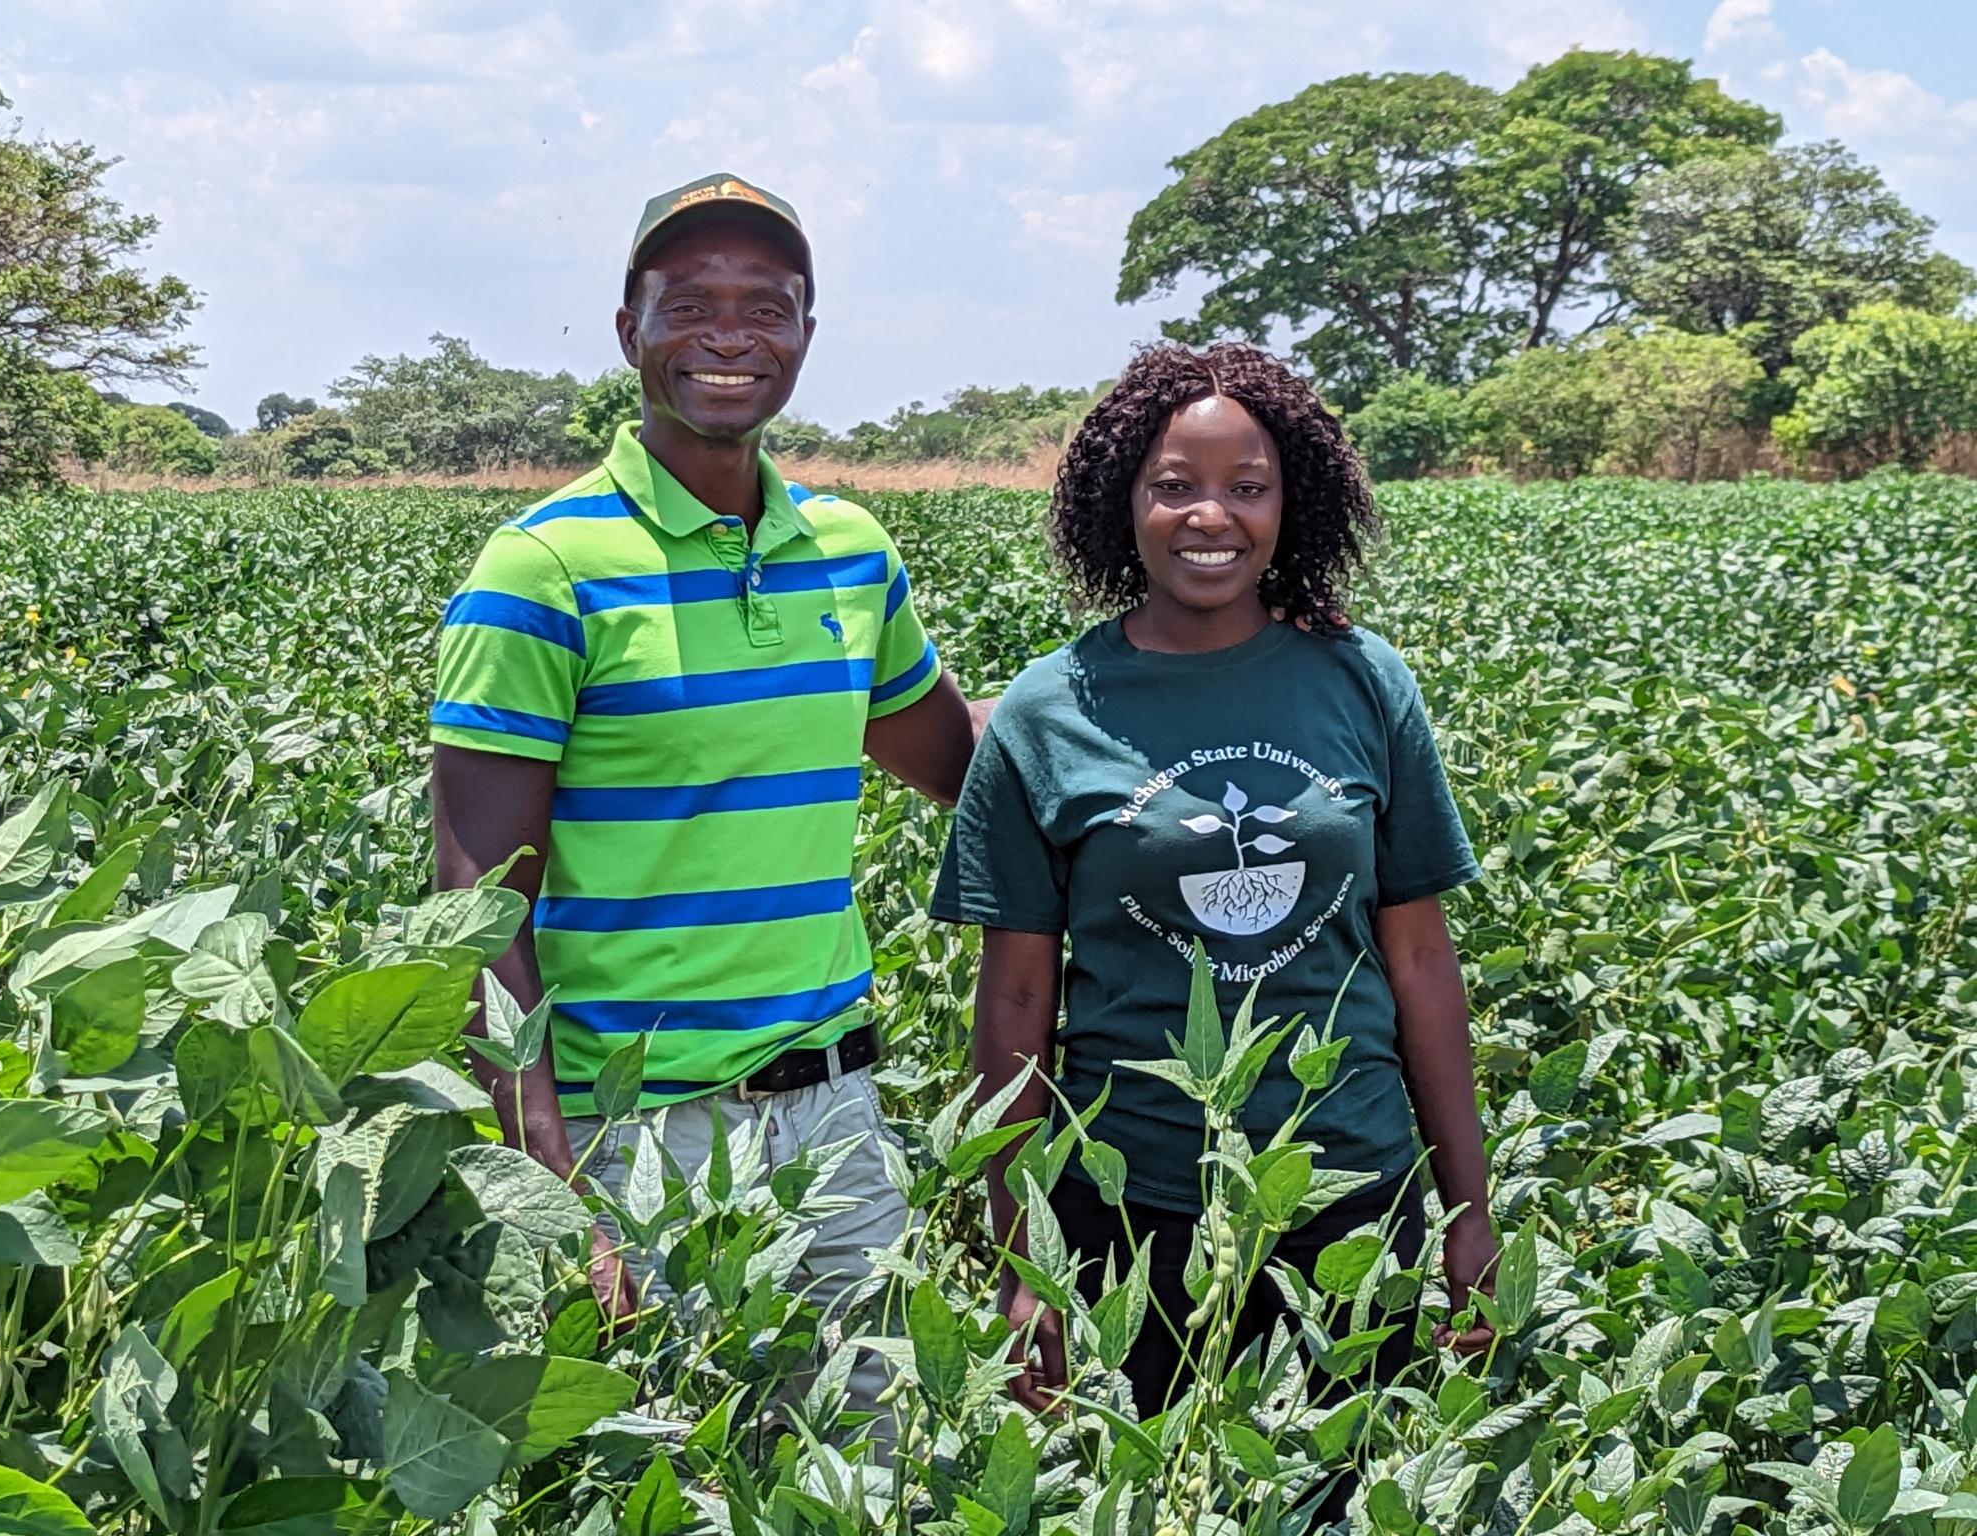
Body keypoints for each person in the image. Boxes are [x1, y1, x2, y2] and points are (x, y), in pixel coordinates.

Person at [430, 173, 983, 1426]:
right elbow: (472, 914)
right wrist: (553, 1191)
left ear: (804, 335)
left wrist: (1187, 677)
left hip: (837, 1117)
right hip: (634, 1141)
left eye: (766, 307)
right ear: (631, 330)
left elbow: (958, 761)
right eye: (692, 304)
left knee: (869, 1476)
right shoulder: (544, 566)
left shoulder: (850, 549)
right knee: (666, 1486)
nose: (730, 335)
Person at [931, 342, 1498, 1510]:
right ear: (1120, 500)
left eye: (1249, 487)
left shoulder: (1363, 679)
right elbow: (1018, 1002)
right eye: (1175, 482)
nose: (1212, 515)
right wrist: (1018, 1250)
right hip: (1133, 1205)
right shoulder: (1051, 709)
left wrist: (1468, 1212)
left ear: (1294, 505)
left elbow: (1421, 960)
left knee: (1335, 1506)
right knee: (1150, 1501)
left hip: (1348, 1192)